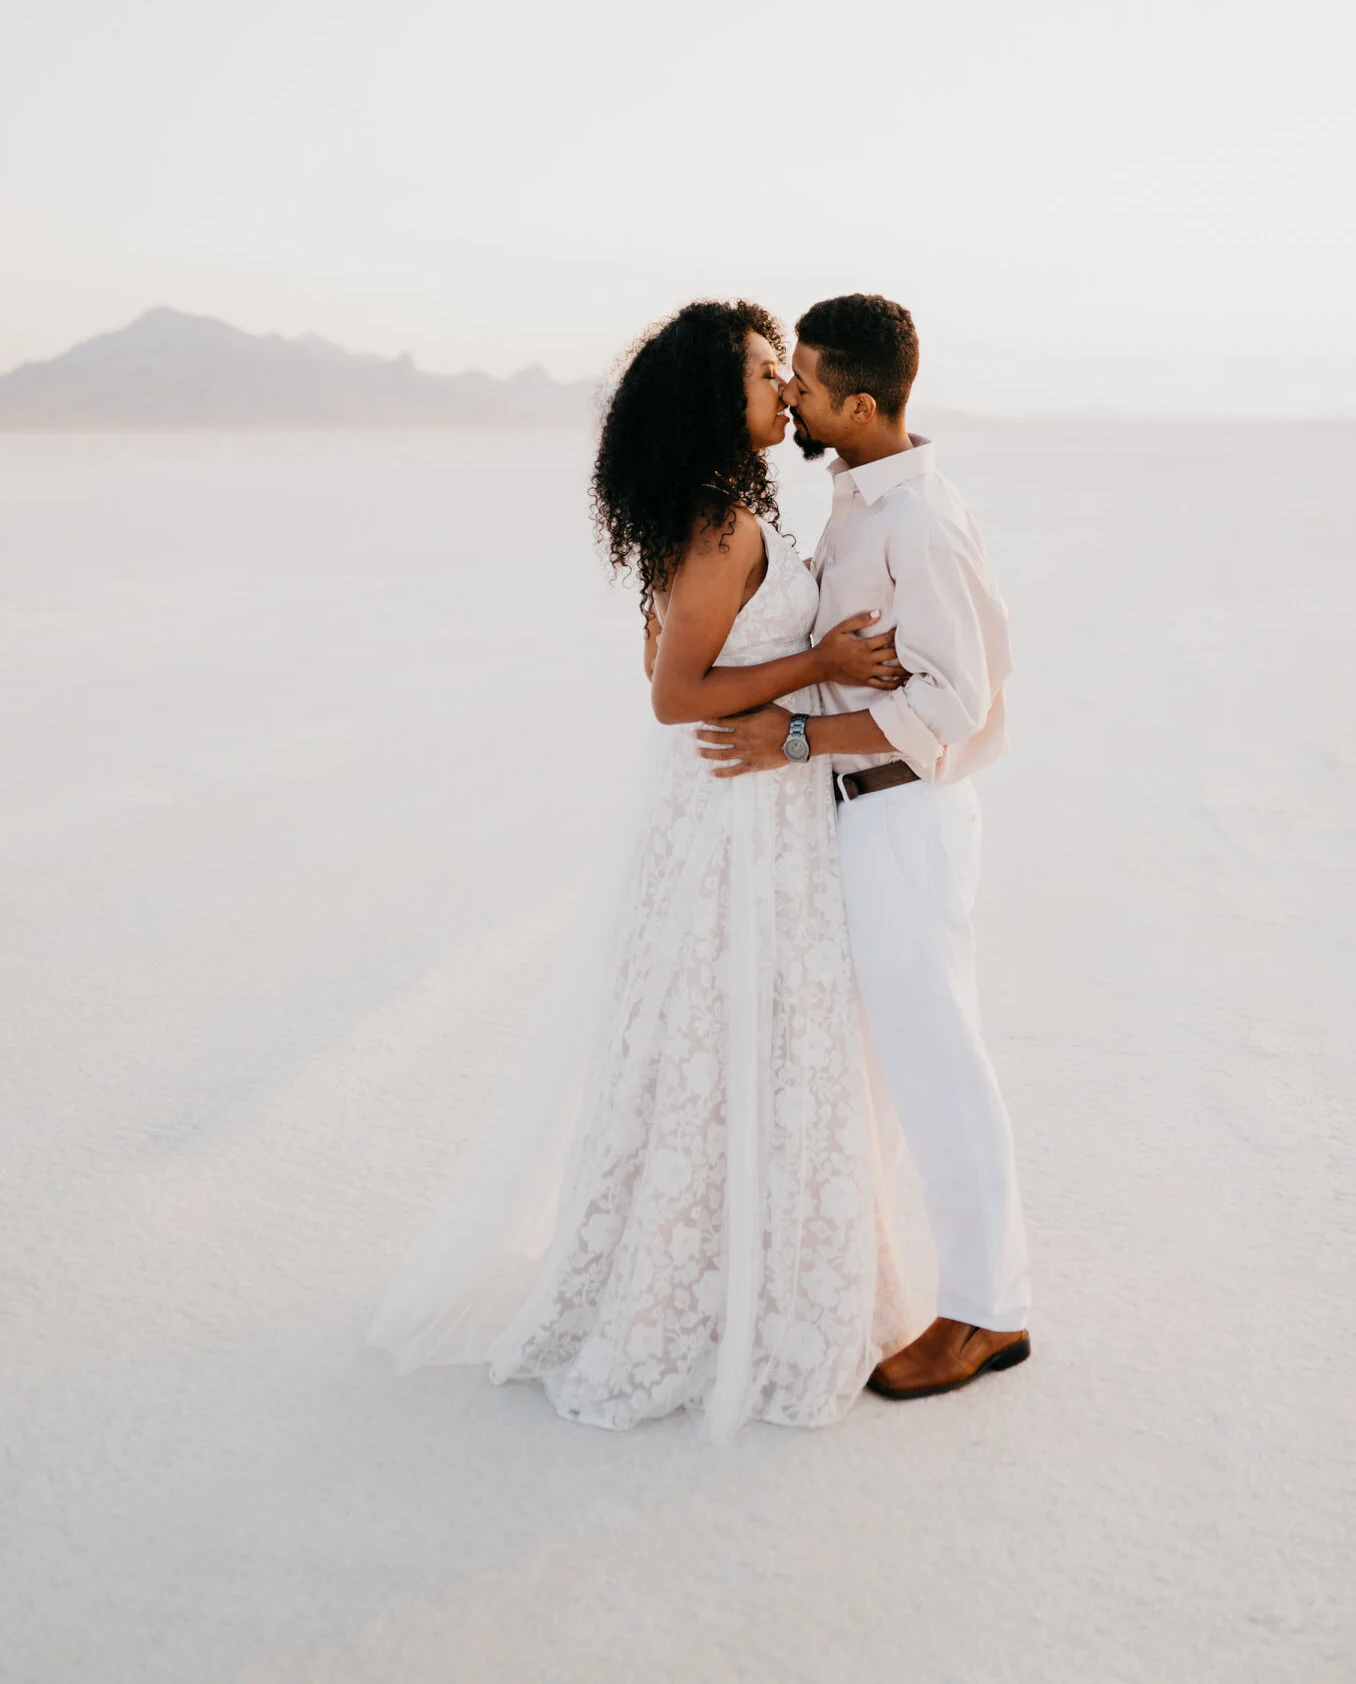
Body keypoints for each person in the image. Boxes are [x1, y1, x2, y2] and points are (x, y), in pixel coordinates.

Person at [368, 300, 920, 1434]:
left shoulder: (730, 511)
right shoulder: (721, 525)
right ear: (718, 403)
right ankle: (701, 1296)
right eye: (767, 373)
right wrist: (818, 657)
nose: (784, 390)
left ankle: (752, 1274)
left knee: (747, 1034)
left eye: (785, 372)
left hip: (755, 804)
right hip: (732, 814)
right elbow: (676, 697)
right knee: (726, 1031)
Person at [697, 293, 1031, 1401]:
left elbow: (951, 705)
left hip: (905, 813)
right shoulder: (854, 498)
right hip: (862, 812)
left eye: (803, 381)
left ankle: (987, 1313)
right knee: (894, 1066)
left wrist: (790, 733)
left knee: (939, 1061)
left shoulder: (916, 519)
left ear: (860, 401)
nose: (788, 393)